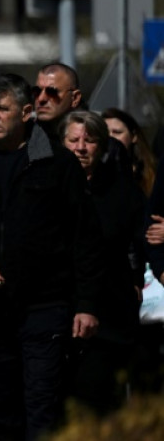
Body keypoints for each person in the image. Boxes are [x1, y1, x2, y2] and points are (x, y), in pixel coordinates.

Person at [0, 73, 103, 441]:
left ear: (26, 112)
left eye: (2, 109)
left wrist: (86, 304)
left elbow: (84, 240)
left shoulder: (58, 165)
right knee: (2, 410)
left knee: (42, 406)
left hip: (45, 307)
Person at [60, 111, 146, 415]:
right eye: (73, 140)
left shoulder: (122, 193)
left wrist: (136, 278)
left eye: (90, 140)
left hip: (109, 318)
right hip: (57, 318)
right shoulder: (45, 191)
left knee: (97, 406)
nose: (81, 147)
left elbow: (139, 239)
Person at [101, 107, 157, 197]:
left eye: (117, 132)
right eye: (105, 132)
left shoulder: (151, 174)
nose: (110, 137)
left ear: (133, 136)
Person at [33, 62, 83, 139]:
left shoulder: (87, 143)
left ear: (75, 98)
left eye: (52, 92)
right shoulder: (18, 140)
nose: (41, 99)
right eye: (37, 91)